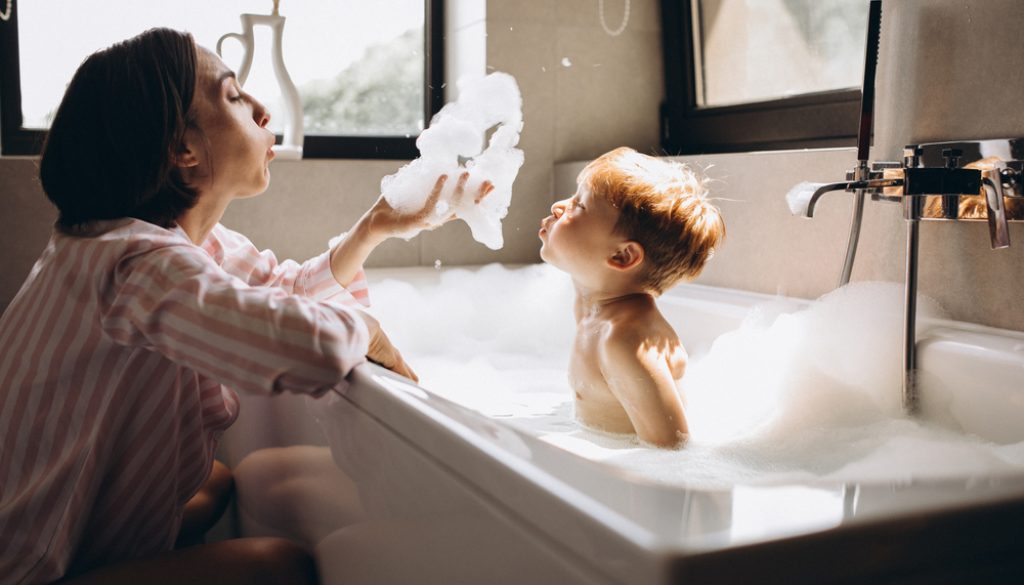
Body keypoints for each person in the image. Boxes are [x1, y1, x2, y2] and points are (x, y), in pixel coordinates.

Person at [0, 28, 492, 585]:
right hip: (25, 570)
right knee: (280, 568)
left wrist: (373, 227)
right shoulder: (136, 266)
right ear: (181, 149)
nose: (261, 109)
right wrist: (367, 330)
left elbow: (280, 292)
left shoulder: (150, 242)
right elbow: (300, 344)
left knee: (213, 483)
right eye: (233, 96)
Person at [538, 147, 724, 448]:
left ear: (622, 255)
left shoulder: (626, 341)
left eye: (578, 206)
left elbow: (671, 448)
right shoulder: (592, 305)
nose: (559, 206)